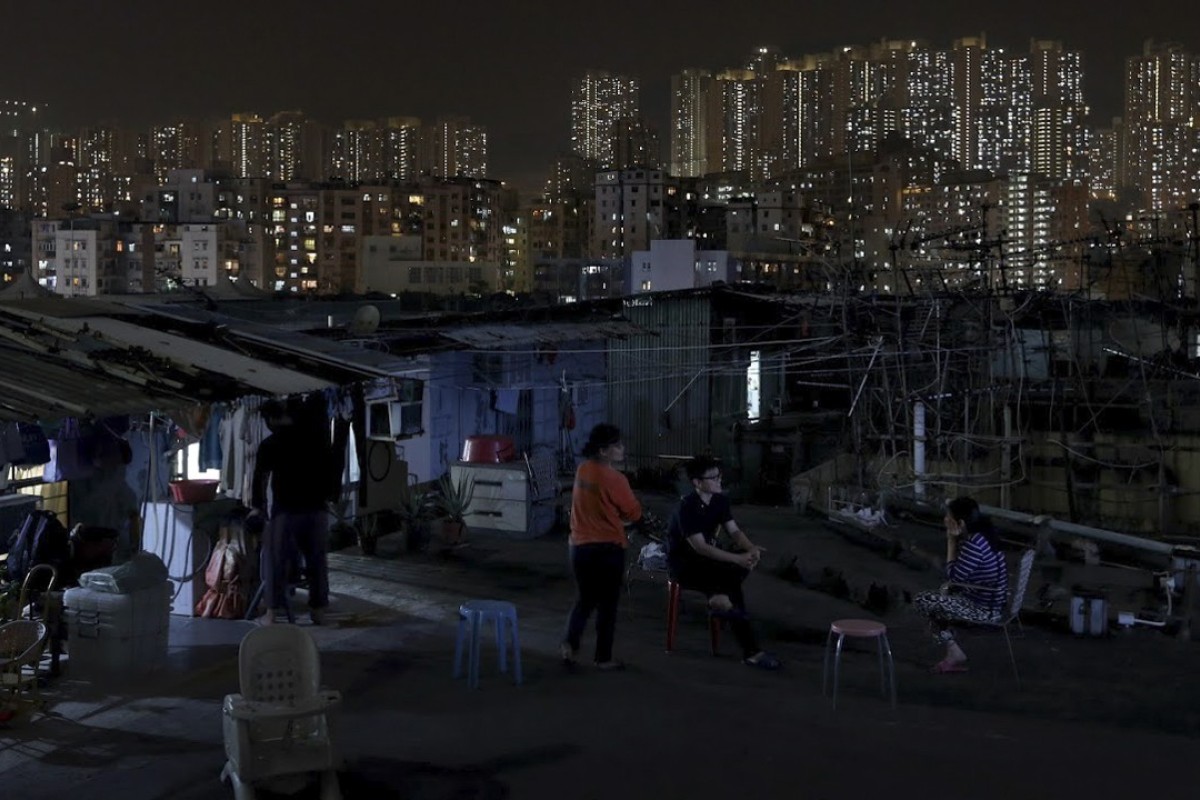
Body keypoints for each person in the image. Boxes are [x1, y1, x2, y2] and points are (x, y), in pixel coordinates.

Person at [665, 455, 781, 670]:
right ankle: (749, 649)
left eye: (719, 476)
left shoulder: (719, 501)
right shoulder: (687, 507)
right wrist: (738, 559)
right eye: (713, 477)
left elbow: (734, 531)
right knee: (733, 583)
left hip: (708, 562)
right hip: (685, 565)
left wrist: (750, 549)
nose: (720, 480)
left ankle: (719, 599)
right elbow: (700, 547)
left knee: (735, 574)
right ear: (697, 482)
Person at [250, 397, 340, 625]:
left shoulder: (271, 443)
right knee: (317, 562)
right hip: (316, 509)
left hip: (286, 511)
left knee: (275, 562)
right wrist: (329, 497)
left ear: (273, 419)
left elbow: (260, 478)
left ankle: (272, 612)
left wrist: (258, 507)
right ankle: (318, 611)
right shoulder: (316, 438)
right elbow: (332, 469)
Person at [561, 423, 642, 670]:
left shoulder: (583, 470)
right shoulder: (616, 479)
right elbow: (634, 513)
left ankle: (569, 645)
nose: (622, 448)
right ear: (603, 451)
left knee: (584, 600)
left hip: (579, 547)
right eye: (617, 445)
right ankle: (603, 658)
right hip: (607, 549)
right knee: (607, 605)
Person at [913, 496, 1009, 673]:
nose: (945, 520)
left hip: (983, 610)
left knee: (922, 600)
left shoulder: (975, 545)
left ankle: (953, 648)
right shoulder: (985, 535)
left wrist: (951, 541)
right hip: (992, 602)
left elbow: (953, 576)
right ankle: (949, 641)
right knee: (941, 596)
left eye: (948, 517)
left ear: (961, 523)